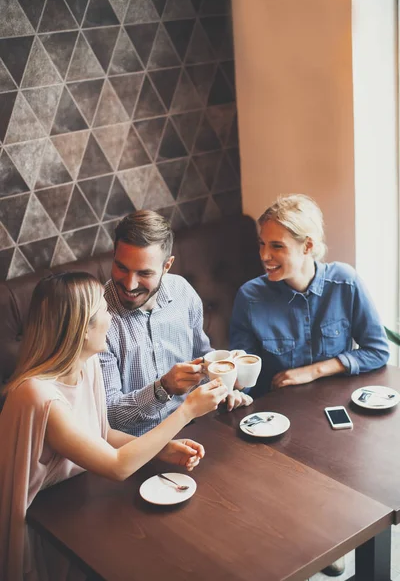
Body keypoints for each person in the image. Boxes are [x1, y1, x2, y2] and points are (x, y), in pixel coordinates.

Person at [0, 272, 228, 581]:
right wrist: (186, 411)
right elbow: (117, 467)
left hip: (76, 500)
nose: (111, 316)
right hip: (42, 521)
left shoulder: (86, 363)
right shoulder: (39, 396)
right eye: (103, 311)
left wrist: (159, 450)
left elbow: (103, 435)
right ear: (82, 330)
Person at [230, 194, 389, 577]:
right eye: (262, 244)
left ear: (309, 247)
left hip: (339, 416)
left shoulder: (345, 282)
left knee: (362, 481)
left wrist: (314, 371)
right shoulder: (250, 297)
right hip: (279, 420)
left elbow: (377, 350)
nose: (265, 255)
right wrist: (233, 388)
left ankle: (338, 535)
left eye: (277, 246)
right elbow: (245, 372)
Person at [100, 210, 252, 437]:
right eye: (122, 268)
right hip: (136, 446)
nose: (130, 285)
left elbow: (203, 358)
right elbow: (110, 415)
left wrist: (223, 390)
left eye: (144, 273)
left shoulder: (182, 291)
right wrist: (163, 389)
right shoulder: (96, 316)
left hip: (198, 427)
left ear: (167, 266)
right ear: (114, 255)